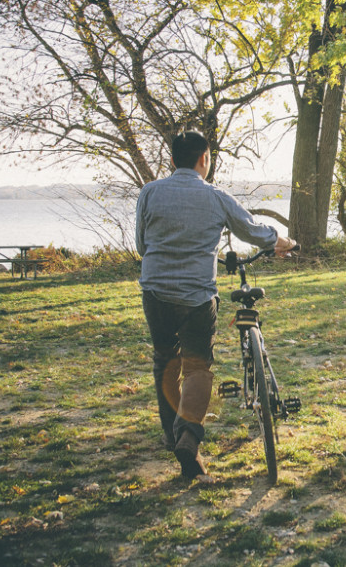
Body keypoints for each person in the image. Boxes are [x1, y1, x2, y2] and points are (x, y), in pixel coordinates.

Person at [136, 130, 295, 480]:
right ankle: (188, 438)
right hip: (196, 295)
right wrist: (281, 241)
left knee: (166, 359)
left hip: (156, 292)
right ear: (204, 159)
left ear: (173, 159)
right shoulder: (215, 197)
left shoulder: (149, 192)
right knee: (197, 367)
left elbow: (142, 246)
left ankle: (170, 434)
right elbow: (252, 229)